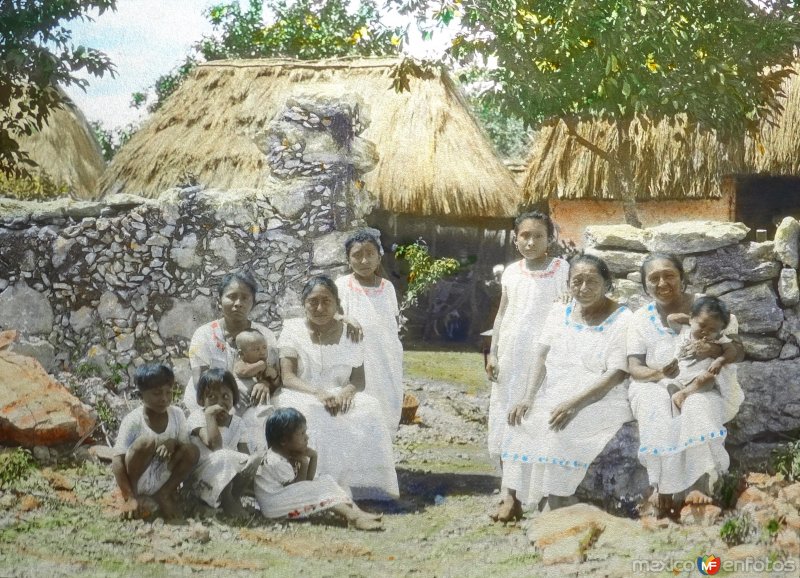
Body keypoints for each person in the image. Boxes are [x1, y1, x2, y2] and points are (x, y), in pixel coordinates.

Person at [496, 254, 633, 521]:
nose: (583, 288)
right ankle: (511, 497)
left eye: (592, 282)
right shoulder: (560, 311)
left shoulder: (622, 318)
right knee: (519, 419)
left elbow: (617, 373)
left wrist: (575, 404)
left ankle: (554, 499)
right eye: (576, 282)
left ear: (607, 284)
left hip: (601, 398)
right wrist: (528, 397)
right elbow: (541, 356)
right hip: (558, 390)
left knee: (558, 427)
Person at [627, 254, 745, 518]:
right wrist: (659, 372)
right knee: (654, 404)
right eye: (654, 278)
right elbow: (634, 367)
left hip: (704, 384)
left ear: (682, 277)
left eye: (669, 275)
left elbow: (738, 349)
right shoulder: (640, 319)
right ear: (645, 285)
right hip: (655, 383)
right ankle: (662, 486)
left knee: (697, 405)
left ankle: (699, 484)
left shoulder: (706, 309)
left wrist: (711, 349)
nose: (662, 283)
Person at [275, 275, 399, 500]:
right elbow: (288, 377)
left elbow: (358, 379)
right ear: (304, 304)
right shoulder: (292, 330)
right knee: (313, 411)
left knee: (369, 407)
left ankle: (361, 484)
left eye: (326, 301)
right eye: (313, 301)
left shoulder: (352, 332)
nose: (320, 307)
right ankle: (314, 481)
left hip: (339, 393)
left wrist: (347, 391)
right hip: (302, 393)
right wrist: (317, 392)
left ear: (336, 304)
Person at [486, 212, 569, 461]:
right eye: (525, 236)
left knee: (536, 404)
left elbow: (567, 303)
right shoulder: (511, 272)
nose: (531, 242)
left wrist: (567, 298)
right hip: (511, 351)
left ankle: (531, 473)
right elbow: (501, 315)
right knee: (505, 405)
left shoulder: (560, 269)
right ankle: (506, 478)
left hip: (542, 352)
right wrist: (492, 353)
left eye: (538, 236)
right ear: (515, 239)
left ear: (550, 239)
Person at [184, 270, 280, 451]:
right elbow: (200, 380)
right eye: (231, 297)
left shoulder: (264, 334)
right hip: (210, 397)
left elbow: (275, 374)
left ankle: (252, 468)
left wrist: (266, 384)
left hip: (251, 398)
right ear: (219, 300)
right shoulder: (204, 334)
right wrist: (225, 399)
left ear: (253, 302)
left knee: (258, 421)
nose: (238, 303)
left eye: (245, 298)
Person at [254, 408, 383, 530]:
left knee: (325, 480)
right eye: (302, 433)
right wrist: (304, 463)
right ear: (284, 441)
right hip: (275, 507)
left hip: (283, 500)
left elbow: (306, 482)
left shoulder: (286, 454)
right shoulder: (275, 461)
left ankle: (357, 512)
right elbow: (301, 487)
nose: (307, 437)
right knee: (319, 487)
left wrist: (313, 457)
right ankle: (353, 517)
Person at [335, 230, 403, 431]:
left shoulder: (387, 287)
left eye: (370, 254)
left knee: (387, 406)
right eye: (357, 255)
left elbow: (392, 323)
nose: (364, 260)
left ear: (379, 257)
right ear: (348, 260)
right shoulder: (342, 285)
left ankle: (384, 456)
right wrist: (346, 318)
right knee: (359, 408)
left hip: (386, 358)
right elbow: (331, 317)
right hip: (357, 359)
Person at [112, 364, 199, 520]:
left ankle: (164, 494)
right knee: (147, 442)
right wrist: (129, 496)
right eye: (157, 393)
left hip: (162, 476)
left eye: (168, 392)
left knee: (192, 450)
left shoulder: (177, 415)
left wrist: (172, 442)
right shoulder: (133, 420)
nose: (164, 398)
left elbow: (186, 449)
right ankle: (135, 498)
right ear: (140, 395)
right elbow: (117, 461)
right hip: (137, 481)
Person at [188, 368, 262, 516]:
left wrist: (251, 462)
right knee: (224, 455)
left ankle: (233, 498)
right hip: (202, 477)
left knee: (251, 460)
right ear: (201, 400)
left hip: (228, 475)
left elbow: (244, 456)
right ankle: (227, 502)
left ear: (234, 398)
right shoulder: (197, 418)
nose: (220, 403)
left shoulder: (238, 423)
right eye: (212, 397)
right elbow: (215, 445)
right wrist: (210, 417)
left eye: (225, 396)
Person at [664, 296, 739, 416]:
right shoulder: (685, 329)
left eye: (712, 329)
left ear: (720, 330)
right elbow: (671, 318)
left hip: (699, 376)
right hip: (680, 375)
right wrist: (691, 319)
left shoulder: (718, 339)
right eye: (702, 325)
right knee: (669, 385)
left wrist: (720, 360)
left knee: (709, 378)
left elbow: (732, 352)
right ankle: (678, 399)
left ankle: (684, 395)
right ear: (692, 318)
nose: (705, 331)